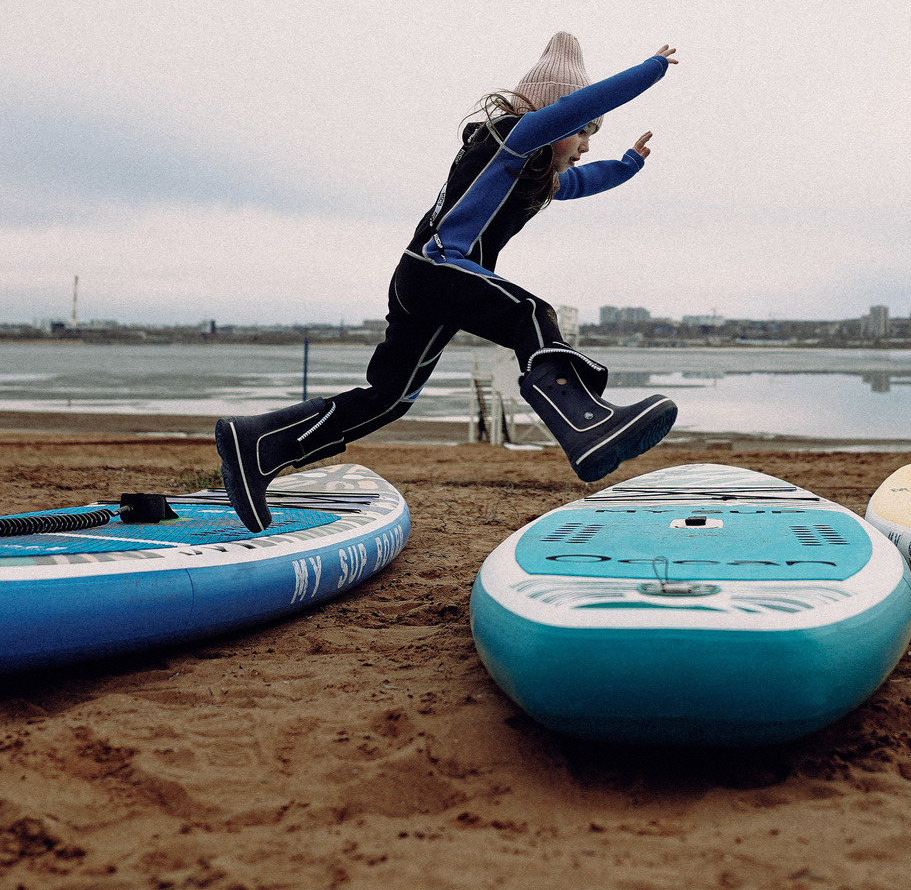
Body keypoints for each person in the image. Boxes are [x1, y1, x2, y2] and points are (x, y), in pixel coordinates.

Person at [214, 33, 682, 531]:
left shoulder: (527, 172)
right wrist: (651, 69)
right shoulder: (514, 136)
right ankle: (585, 423)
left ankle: (259, 445)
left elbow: (580, 182)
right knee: (532, 315)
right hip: (439, 268)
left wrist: (628, 164)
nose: (587, 142)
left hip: (424, 279)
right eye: (583, 129)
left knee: (388, 398)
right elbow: (581, 103)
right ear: (554, 116)